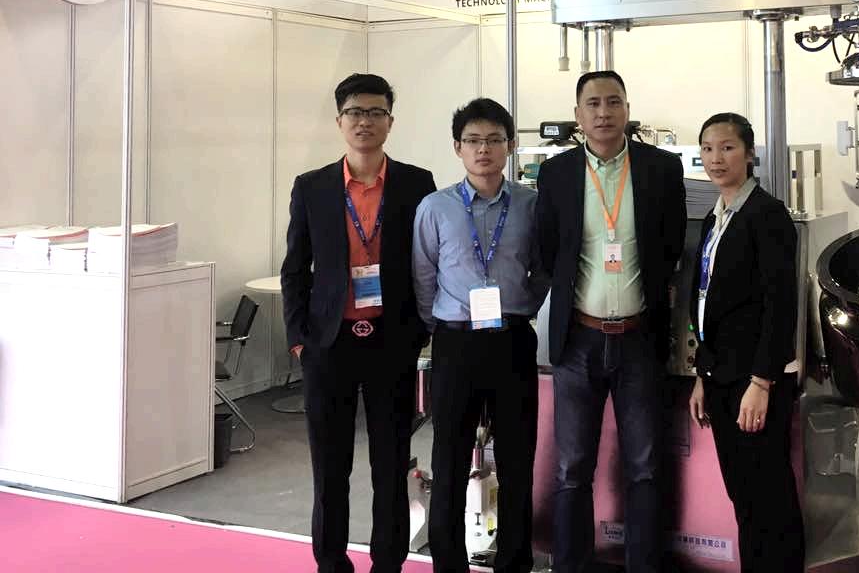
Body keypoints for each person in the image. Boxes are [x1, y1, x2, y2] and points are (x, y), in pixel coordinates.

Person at [281, 73, 437, 573]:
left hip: (392, 342)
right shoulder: (312, 187)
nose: (364, 121)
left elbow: (427, 260)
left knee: (390, 463)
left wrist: (420, 333)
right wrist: (300, 340)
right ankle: (331, 562)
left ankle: (387, 562)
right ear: (339, 121)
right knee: (330, 466)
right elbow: (295, 268)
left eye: (375, 112)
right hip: (330, 344)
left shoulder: (416, 183)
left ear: (390, 121)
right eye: (355, 112)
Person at [534, 70, 686, 573]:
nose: (604, 112)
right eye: (594, 104)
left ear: (627, 109)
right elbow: (548, 251)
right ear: (578, 115)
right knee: (571, 468)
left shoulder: (661, 168)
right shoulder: (556, 174)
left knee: (645, 467)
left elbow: (669, 246)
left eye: (613, 102)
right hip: (578, 339)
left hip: (640, 338)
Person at [411, 97, 548, 573]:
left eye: (493, 140)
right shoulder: (435, 208)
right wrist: (440, 325)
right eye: (473, 140)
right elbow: (423, 275)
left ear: (510, 146)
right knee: (449, 458)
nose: (483, 149)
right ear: (457, 148)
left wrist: (523, 307)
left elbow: (543, 269)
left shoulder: (531, 205)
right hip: (456, 342)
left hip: (512, 340)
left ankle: (514, 561)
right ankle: (449, 562)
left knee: (517, 459)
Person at [687, 112, 804, 573]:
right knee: (744, 495)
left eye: (728, 147)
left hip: (753, 379)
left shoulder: (766, 215)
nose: (716, 158)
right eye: (708, 148)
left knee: (768, 496)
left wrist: (762, 381)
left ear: (750, 154)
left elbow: (780, 305)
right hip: (721, 373)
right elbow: (708, 299)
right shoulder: (715, 217)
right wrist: (702, 373)